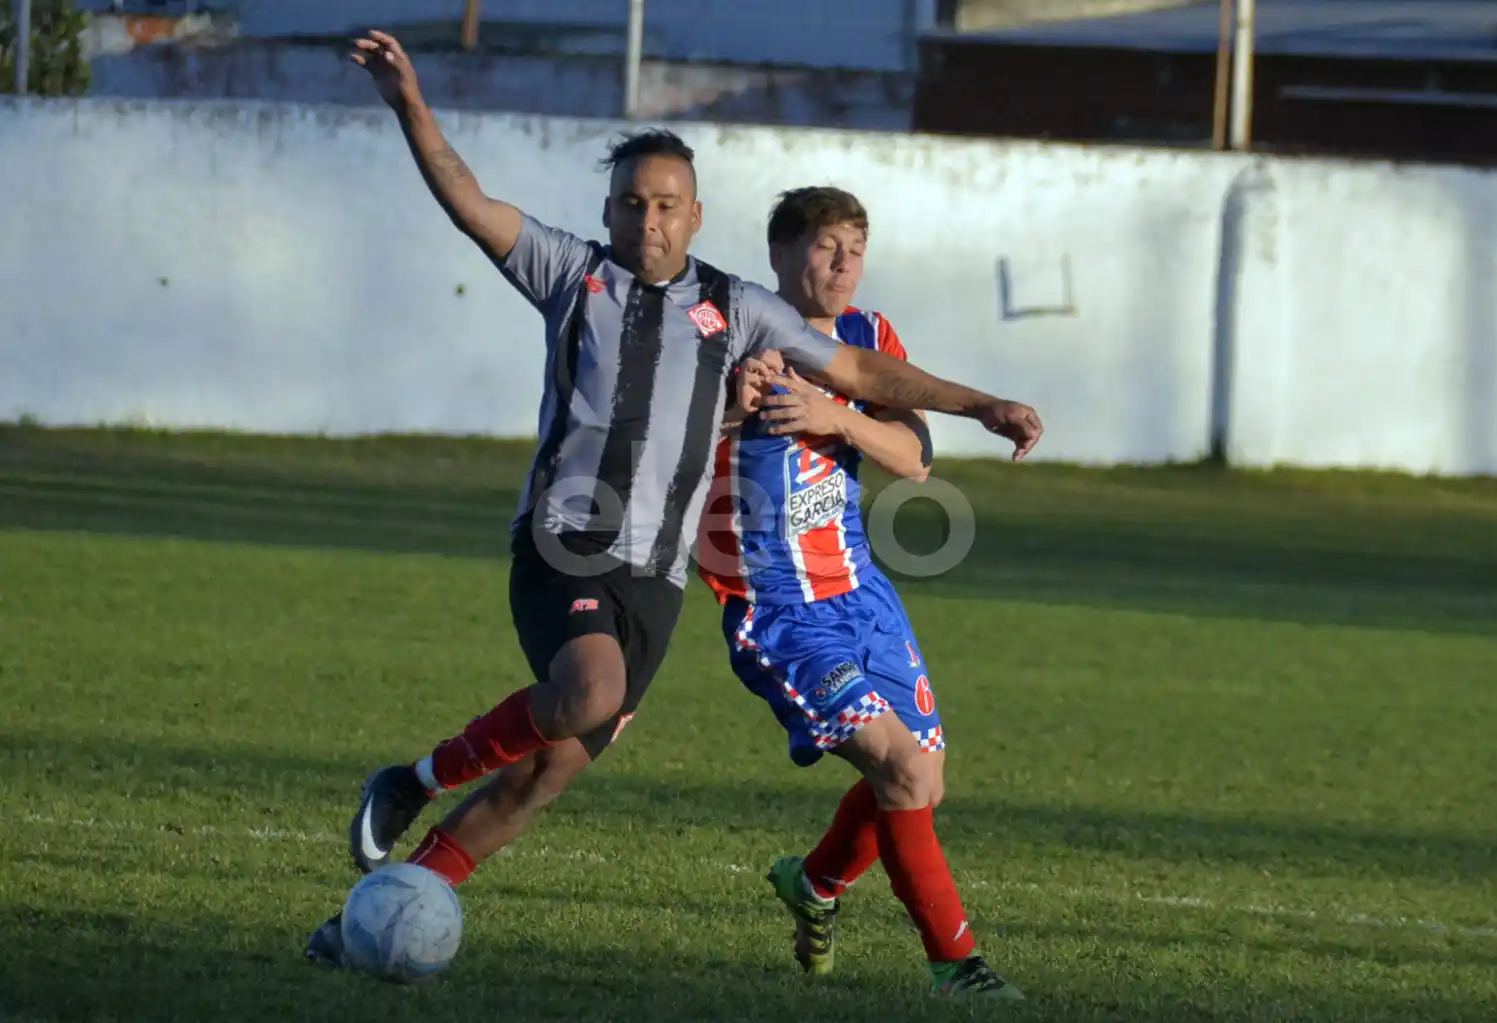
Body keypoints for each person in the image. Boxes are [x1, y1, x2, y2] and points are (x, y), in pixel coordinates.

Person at [307, 30, 1044, 966]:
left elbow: (860, 371)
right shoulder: (569, 273)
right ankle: (416, 777)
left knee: (548, 770)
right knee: (590, 690)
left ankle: (370, 917)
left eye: (665, 205)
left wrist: (981, 404)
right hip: (569, 541)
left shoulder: (739, 309)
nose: (647, 221)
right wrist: (410, 103)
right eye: (631, 203)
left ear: (695, 216)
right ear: (608, 210)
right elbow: (468, 200)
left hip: (657, 579)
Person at [694, 186, 1023, 1000]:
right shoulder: (731, 332)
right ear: (778, 254)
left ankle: (813, 884)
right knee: (902, 770)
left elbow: (913, 459)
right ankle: (959, 968)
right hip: (779, 605)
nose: (843, 266)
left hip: (862, 592)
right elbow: (668, 435)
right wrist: (734, 411)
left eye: (855, 249)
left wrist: (833, 417)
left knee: (924, 778)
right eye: (825, 246)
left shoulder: (870, 338)